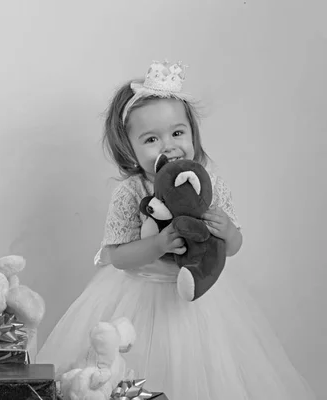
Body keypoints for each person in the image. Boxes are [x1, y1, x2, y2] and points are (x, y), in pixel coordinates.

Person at [37, 60, 316, 399]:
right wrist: (159, 243)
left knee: (204, 373)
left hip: (199, 299)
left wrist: (227, 230)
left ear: (193, 135)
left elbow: (231, 247)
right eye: (151, 138)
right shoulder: (133, 191)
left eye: (177, 133)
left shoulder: (208, 185)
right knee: (133, 370)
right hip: (138, 295)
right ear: (130, 148)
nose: (168, 146)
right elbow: (118, 256)